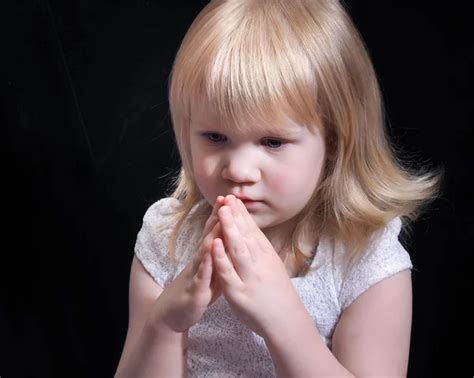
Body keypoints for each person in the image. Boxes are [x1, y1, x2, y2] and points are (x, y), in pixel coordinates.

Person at [115, 0, 442, 376]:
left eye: (272, 142)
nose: (238, 170)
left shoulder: (365, 260)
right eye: (215, 136)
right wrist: (166, 324)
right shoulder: (166, 237)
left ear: (334, 141)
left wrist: (285, 322)